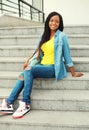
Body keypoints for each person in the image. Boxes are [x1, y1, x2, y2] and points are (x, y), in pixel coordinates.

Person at [0, 11, 83, 119]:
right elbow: (38, 52)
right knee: (23, 74)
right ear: (48, 21)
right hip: (42, 65)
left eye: (57, 21)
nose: (54, 23)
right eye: (52, 20)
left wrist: (73, 72)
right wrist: (28, 61)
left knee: (29, 70)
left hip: (53, 67)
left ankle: (25, 103)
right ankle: (8, 104)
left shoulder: (62, 36)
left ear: (60, 24)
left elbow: (67, 55)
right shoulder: (43, 35)